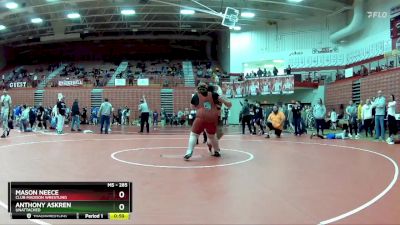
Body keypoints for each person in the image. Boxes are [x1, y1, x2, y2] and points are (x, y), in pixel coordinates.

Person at [184, 82, 232, 160]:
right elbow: (227, 103)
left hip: (201, 117)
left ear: (198, 89)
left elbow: (192, 107)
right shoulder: (214, 95)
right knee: (212, 136)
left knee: (194, 135)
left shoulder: (196, 96)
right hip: (213, 118)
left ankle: (189, 151)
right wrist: (228, 104)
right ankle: (217, 151)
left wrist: (200, 107)